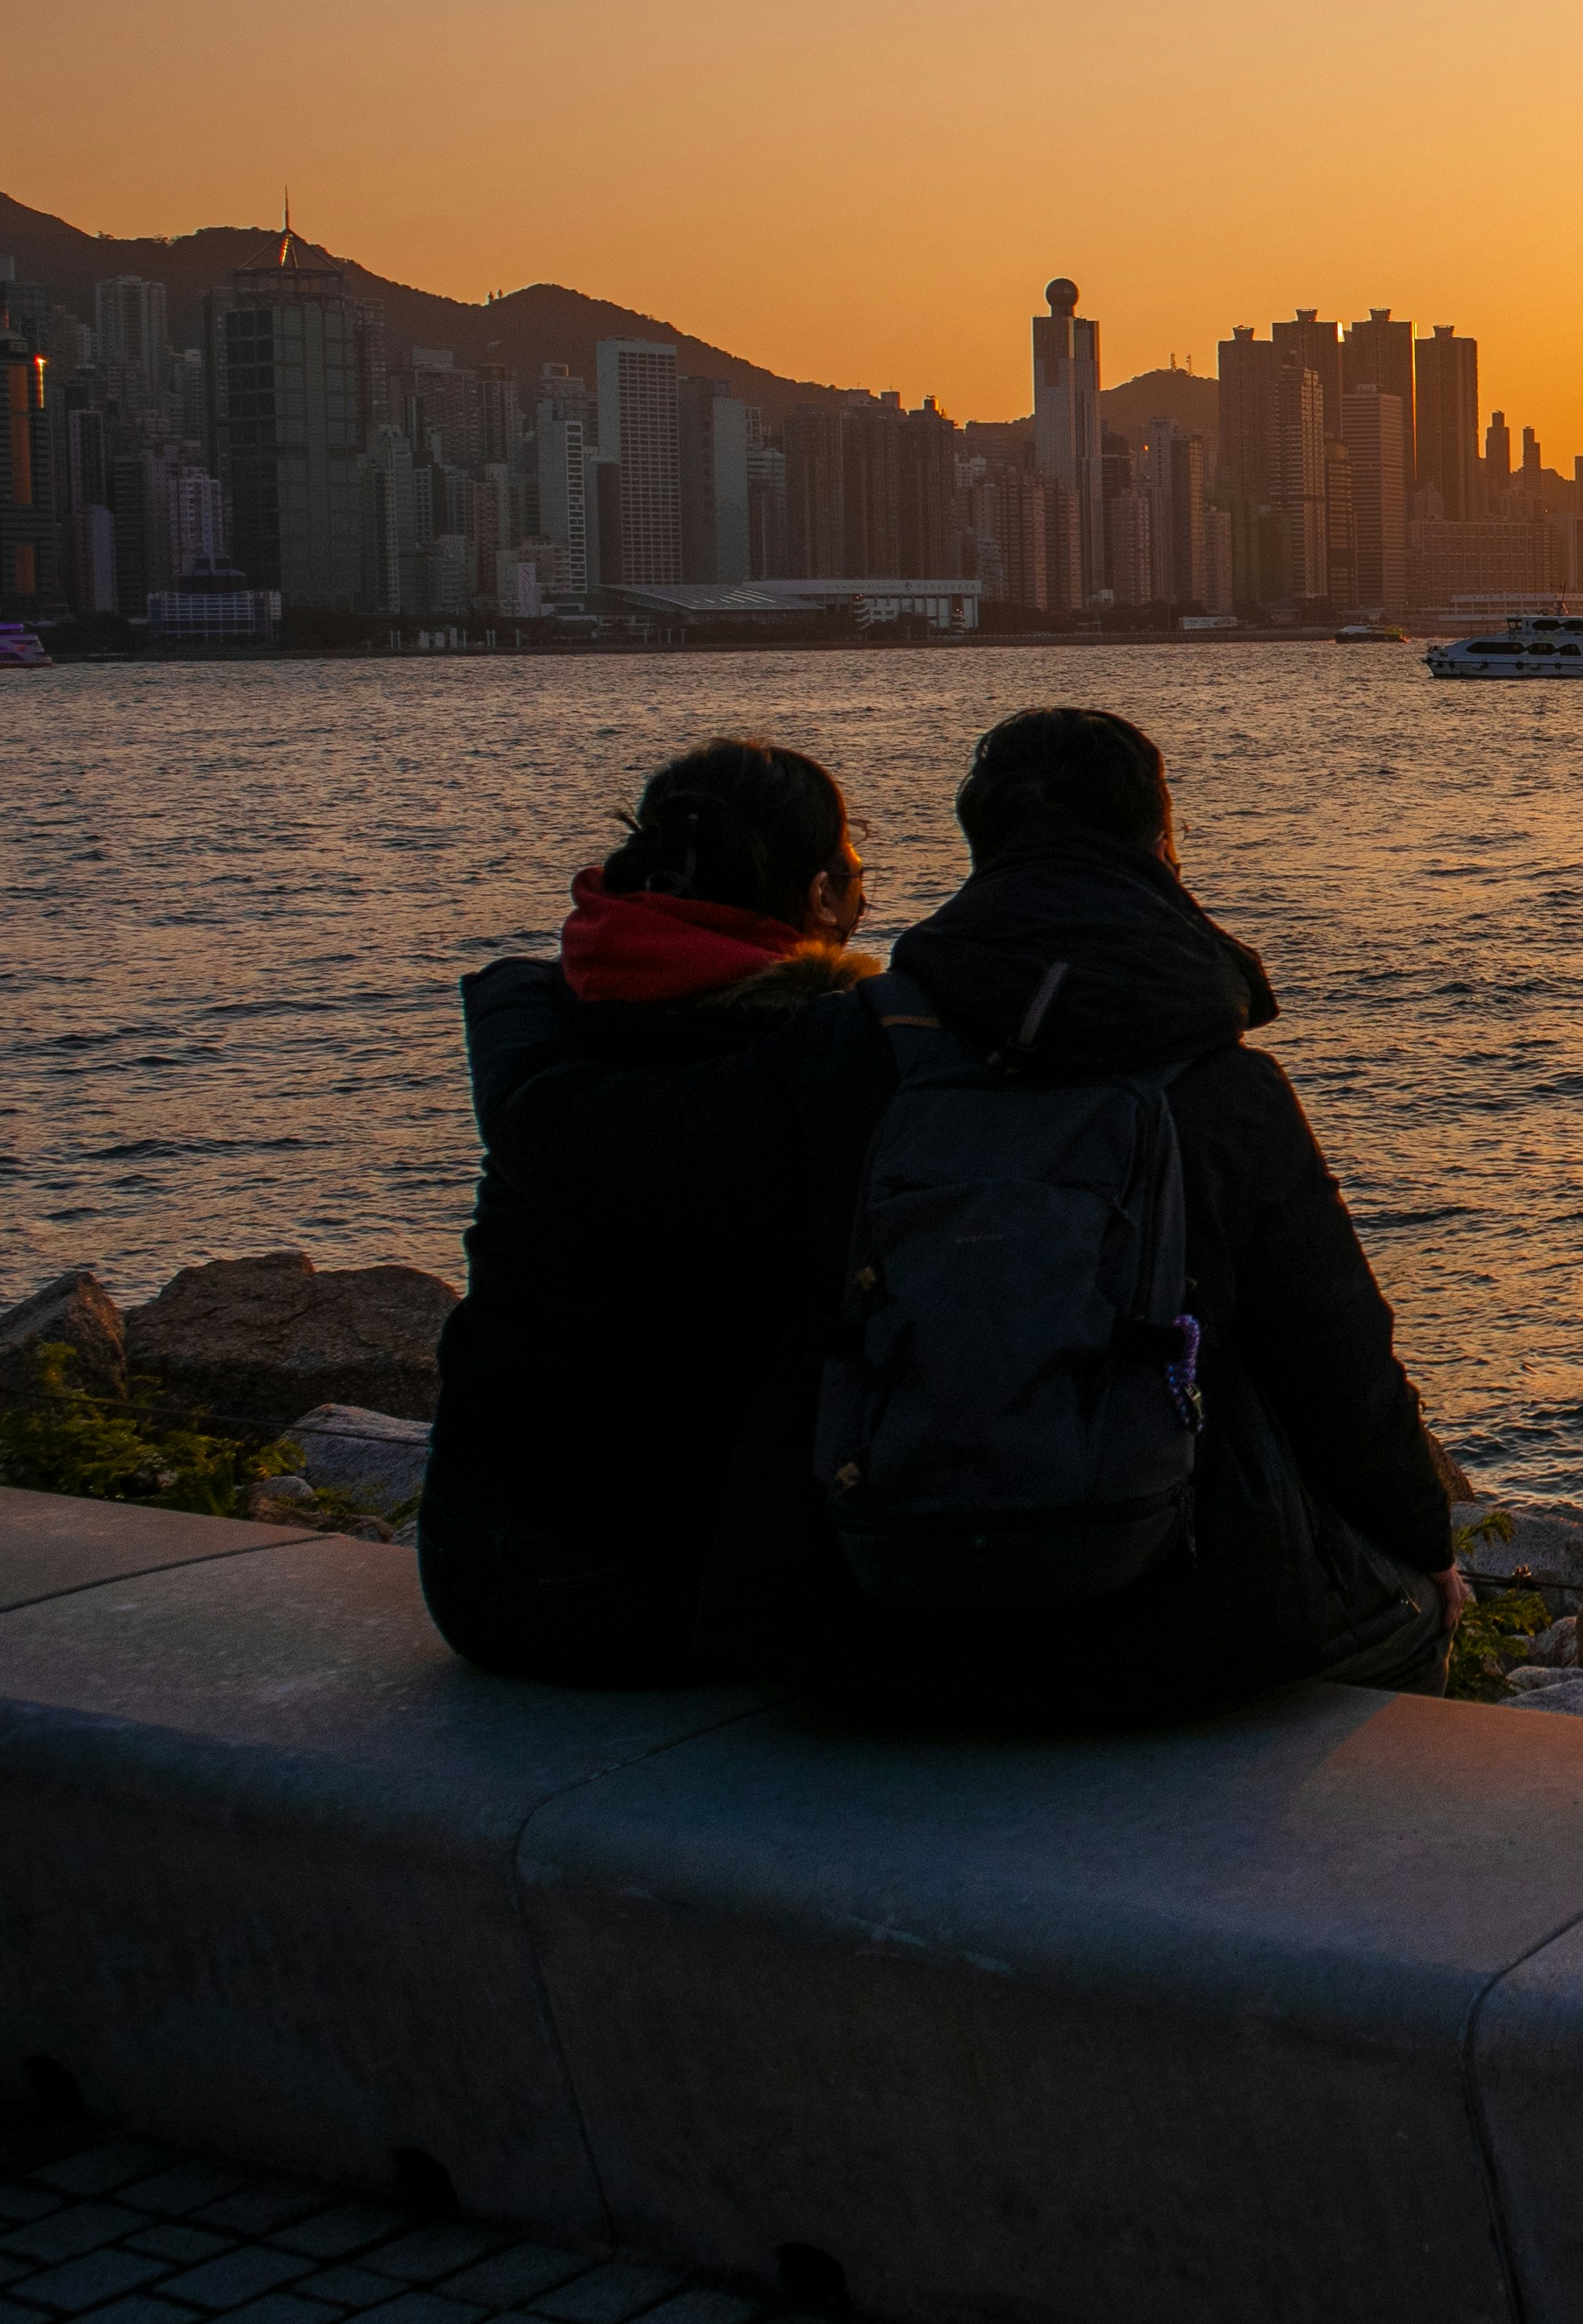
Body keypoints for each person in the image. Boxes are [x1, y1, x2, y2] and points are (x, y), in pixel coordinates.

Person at [425, 711, 1464, 1718]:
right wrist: (1430, 1553)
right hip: (780, 1600)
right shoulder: (1199, 1081)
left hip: (626, 1587)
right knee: (1391, 1579)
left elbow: (593, 1159)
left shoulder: (736, 1059)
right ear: (1164, 849)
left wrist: (523, 1015)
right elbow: (1341, 1366)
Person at [424, 736, 883, 1686]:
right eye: (853, 874)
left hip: (487, 1581)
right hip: (714, 1596)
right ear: (819, 898)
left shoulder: (548, 1035)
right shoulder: (837, 1060)